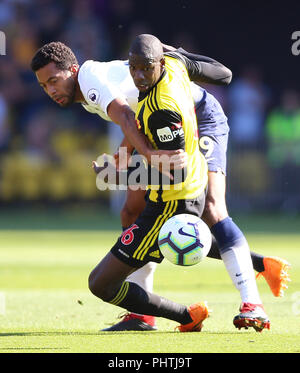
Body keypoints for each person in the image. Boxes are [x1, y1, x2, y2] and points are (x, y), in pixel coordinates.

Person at [30, 39, 289, 332]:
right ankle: (143, 315)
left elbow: (128, 117)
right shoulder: (91, 90)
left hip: (198, 117)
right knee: (131, 212)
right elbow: (137, 117)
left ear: (72, 70)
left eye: (54, 80)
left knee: (212, 208)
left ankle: (251, 303)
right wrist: (125, 155)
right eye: (44, 86)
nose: (51, 89)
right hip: (161, 130)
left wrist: (146, 157)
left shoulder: (89, 80)